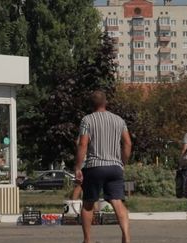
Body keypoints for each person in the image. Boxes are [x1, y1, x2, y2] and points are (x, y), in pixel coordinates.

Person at [75, 91, 132, 243]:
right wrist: (122, 162)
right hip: (115, 166)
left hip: (94, 167)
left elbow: (83, 144)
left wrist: (78, 167)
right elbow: (127, 143)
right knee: (117, 202)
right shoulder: (119, 120)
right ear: (105, 102)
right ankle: (126, 235)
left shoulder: (87, 120)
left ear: (91, 104)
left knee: (88, 204)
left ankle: (87, 240)